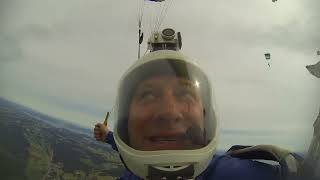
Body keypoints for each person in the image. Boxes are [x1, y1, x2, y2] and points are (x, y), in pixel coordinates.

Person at [94, 50, 302, 180]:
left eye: (185, 94)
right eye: (147, 95)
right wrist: (109, 137)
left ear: (205, 117)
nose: (169, 112)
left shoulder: (236, 174)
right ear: (126, 120)